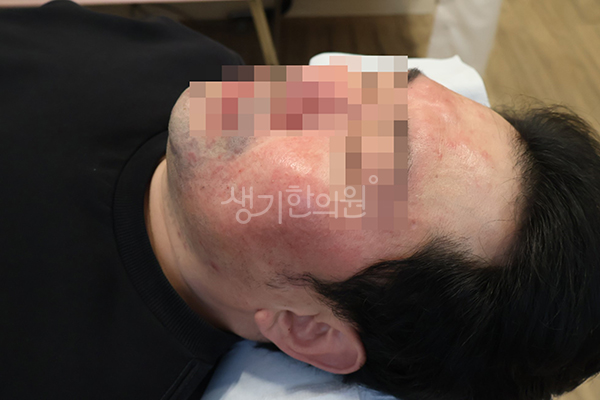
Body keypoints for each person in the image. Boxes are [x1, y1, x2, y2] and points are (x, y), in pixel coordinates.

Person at [2, 3, 600, 400]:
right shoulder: (186, 58)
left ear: (310, 331)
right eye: (382, 87)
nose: (316, 89)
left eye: (366, 160)